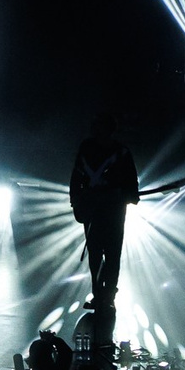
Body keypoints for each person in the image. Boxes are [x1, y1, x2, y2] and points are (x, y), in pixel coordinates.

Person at [68, 112, 139, 309]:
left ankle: (108, 295)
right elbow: (77, 177)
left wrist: (129, 194)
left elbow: (130, 179)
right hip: (94, 209)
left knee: (111, 253)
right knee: (97, 255)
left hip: (112, 210)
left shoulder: (121, 152)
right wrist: (77, 202)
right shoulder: (88, 149)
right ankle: (100, 294)